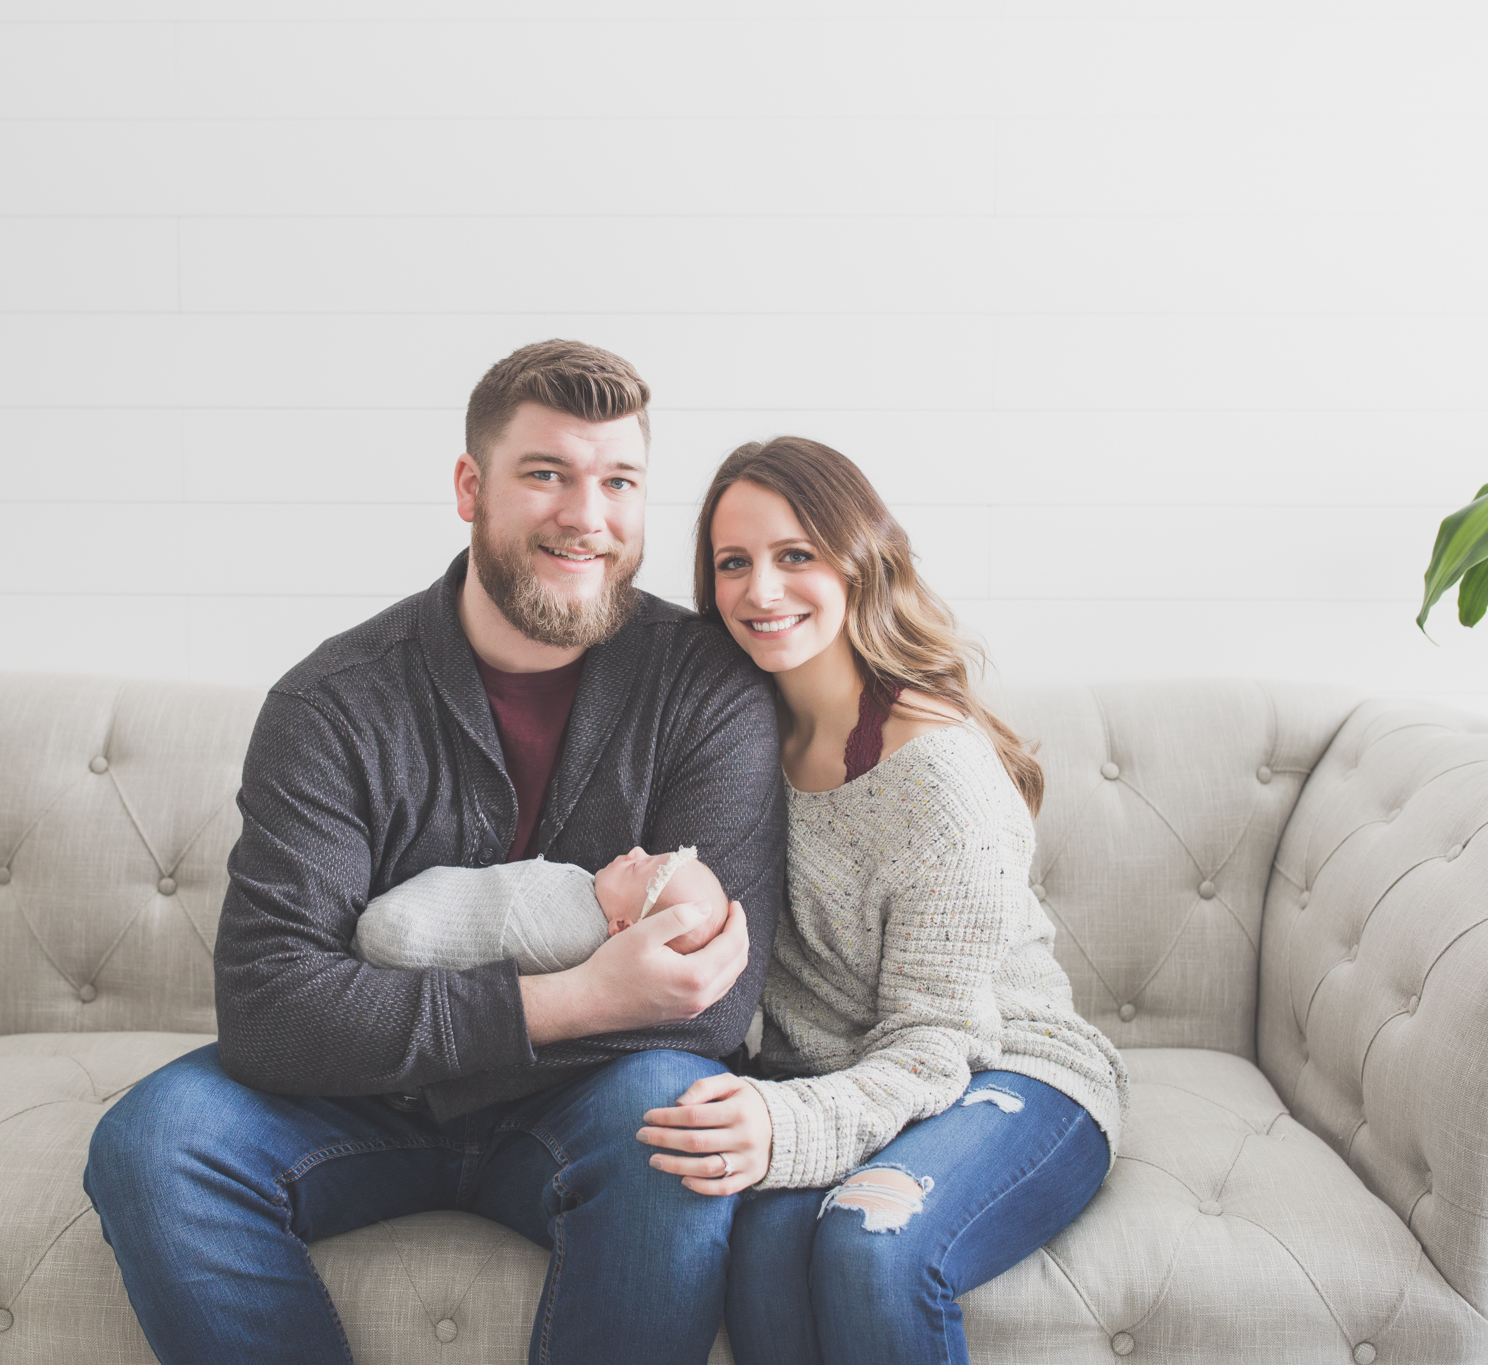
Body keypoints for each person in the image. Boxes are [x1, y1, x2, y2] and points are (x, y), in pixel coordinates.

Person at [82, 340, 786, 1365]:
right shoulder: (333, 703)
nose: (586, 516)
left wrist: (383, 1017)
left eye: (618, 481)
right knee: (153, 1143)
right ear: (470, 487)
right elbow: (271, 1009)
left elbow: (708, 1002)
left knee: (675, 1113)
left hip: (580, 1109)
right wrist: (576, 1000)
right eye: (545, 474)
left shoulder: (707, 690)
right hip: (362, 1110)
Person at [636, 436, 1131, 1365]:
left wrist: (781, 1124)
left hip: (1005, 1069)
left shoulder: (940, 777)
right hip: (832, 1074)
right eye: (733, 563)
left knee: (868, 1246)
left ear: (859, 558)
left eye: (796, 556)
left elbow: (938, 1040)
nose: (761, 591)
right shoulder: (728, 735)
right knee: (763, 1260)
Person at [353, 844, 733, 972]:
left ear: (622, 926)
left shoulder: (570, 934)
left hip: (396, 928)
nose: (635, 850)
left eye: (638, 866)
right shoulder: (589, 900)